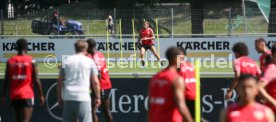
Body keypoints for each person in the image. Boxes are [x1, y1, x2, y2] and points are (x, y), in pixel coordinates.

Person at [1, 38, 45, 122]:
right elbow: (36, 80)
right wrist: (41, 95)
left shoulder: (10, 61)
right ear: (26, 47)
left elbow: (6, 80)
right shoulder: (31, 60)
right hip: (27, 94)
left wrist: (3, 96)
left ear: (16, 48)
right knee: (25, 120)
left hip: (15, 95)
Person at [57, 40, 101, 122]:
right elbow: (95, 81)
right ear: (86, 49)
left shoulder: (66, 60)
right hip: (83, 96)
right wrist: (98, 97)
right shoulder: (89, 61)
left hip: (68, 96)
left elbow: (59, 81)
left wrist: (59, 97)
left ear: (75, 48)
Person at [148, 47, 193, 122]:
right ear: (175, 59)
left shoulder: (155, 77)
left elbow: (150, 104)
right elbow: (181, 106)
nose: (183, 62)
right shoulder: (176, 79)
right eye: (182, 59)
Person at [87, 39, 113, 122]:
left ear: (88, 47)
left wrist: (96, 91)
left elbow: (97, 74)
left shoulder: (91, 57)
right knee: (106, 112)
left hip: (99, 86)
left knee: (91, 112)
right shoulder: (100, 54)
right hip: (107, 85)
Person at [177, 47, 196, 119]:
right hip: (195, 95)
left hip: (185, 96)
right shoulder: (191, 65)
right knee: (195, 118)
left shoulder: (178, 66)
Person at [258, 43, 276, 114]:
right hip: (273, 111)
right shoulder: (272, 69)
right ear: (274, 55)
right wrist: (272, 101)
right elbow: (259, 87)